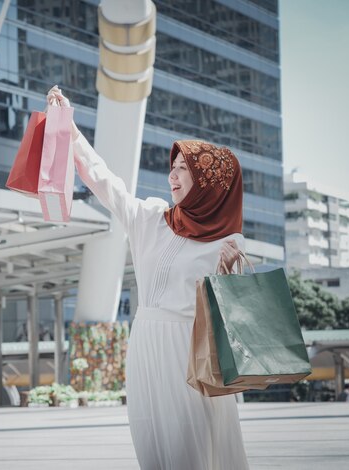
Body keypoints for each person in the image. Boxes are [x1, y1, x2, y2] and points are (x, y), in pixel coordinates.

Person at [48, 86, 248, 469]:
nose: (172, 176)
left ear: (207, 181)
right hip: (145, 342)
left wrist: (228, 271)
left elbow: (234, 314)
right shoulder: (152, 217)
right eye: (171, 168)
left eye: (183, 169)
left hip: (188, 349)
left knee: (187, 443)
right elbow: (106, 183)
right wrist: (70, 130)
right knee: (151, 438)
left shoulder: (227, 239)